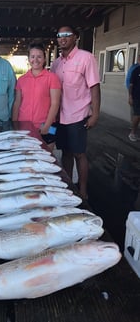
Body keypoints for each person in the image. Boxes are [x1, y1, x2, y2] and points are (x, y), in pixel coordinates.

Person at [50, 25, 101, 200]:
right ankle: (69, 186)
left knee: (79, 153)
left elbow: (94, 86)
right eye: (59, 35)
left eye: (66, 34)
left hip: (78, 115)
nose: (62, 38)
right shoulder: (56, 63)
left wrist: (95, 114)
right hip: (60, 116)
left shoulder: (86, 58)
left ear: (75, 37)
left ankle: (83, 190)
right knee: (66, 152)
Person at [12, 42, 61, 150]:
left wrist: (47, 125)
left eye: (39, 56)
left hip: (48, 126)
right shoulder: (21, 80)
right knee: (26, 158)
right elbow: (17, 103)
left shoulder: (52, 78)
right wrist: (14, 124)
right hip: (24, 126)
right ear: (28, 59)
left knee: (48, 158)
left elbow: (55, 103)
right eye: (32, 56)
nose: (36, 60)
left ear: (44, 58)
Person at [125, 54, 140, 128]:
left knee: (134, 110)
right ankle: (133, 126)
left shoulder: (133, 67)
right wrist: (130, 95)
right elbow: (130, 82)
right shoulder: (135, 68)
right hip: (134, 92)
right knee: (135, 111)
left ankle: (133, 125)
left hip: (133, 91)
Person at [128, 64, 140, 141]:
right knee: (137, 115)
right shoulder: (136, 70)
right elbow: (131, 85)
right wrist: (130, 97)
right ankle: (132, 133)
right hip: (137, 97)